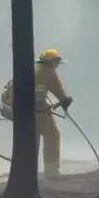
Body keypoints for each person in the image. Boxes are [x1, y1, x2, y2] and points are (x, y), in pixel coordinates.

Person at [35, 48, 73, 179]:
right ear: (52, 62)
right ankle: (52, 172)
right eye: (56, 63)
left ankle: (28, 170)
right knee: (52, 136)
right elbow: (58, 90)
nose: (57, 66)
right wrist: (65, 100)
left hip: (23, 111)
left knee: (31, 140)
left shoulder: (32, 69)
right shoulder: (49, 72)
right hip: (39, 111)